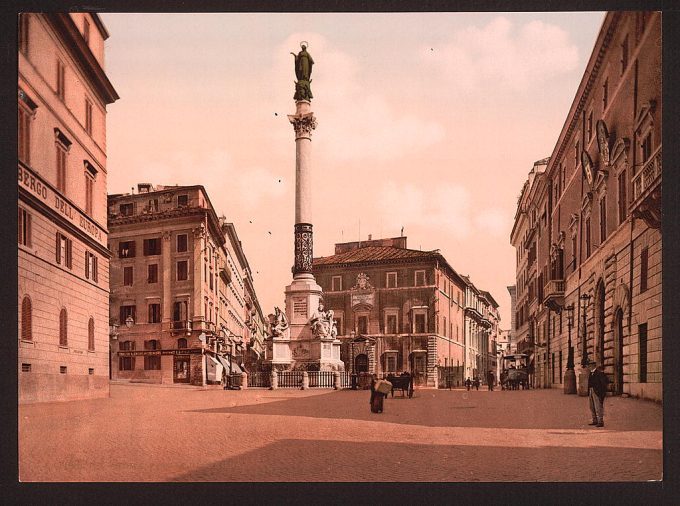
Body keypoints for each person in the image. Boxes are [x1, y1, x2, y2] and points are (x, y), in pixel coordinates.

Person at [587, 359, 609, 427]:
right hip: (591, 390)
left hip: (597, 392)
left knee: (598, 407)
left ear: (593, 366)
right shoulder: (591, 373)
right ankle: (595, 420)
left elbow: (604, 383)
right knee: (592, 406)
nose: (588, 367)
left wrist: (601, 393)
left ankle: (600, 421)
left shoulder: (599, 373)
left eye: (590, 366)